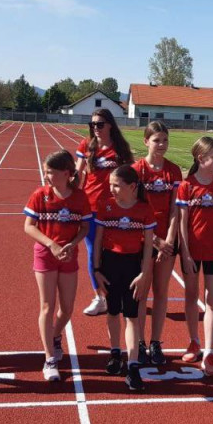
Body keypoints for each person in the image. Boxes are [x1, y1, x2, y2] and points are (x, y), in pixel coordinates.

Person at [24, 150, 92, 382]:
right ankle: (49, 358)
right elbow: (29, 226)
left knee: (67, 308)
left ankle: (54, 335)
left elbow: (84, 227)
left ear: (66, 173)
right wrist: (51, 244)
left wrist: (73, 244)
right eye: (46, 172)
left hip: (68, 256)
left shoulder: (80, 198)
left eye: (51, 172)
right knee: (47, 306)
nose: (46, 176)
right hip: (45, 254)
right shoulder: (40, 195)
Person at [93, 165, 156, 391]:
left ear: (132, 186)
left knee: (131, 316)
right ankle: (115, 353)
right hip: (109, 265)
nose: (112, 189)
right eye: (110, 184)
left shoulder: (144, 209)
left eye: (116, 185)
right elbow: (98, 240)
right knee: (112, 312)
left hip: (133, 267)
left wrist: (144, 273)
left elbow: (148, 245)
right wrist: (96, 270)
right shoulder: (105, 206)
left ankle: (133, 366)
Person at [176, 136, 213, 376]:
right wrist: (186, 253)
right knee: (191, 296)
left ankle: (209, 351)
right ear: (201, 158)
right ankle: (194, 341)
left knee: (212, 300)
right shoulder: (186, 185)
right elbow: (182, 223)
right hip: (191, 252)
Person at [132, 122, 182, 366]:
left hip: (167, 242)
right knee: (141, 294)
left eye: (165, 140)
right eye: (156, 140)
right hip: (143, 240)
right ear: (146, 142)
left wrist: (169, 240)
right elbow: (134, 210)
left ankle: (155, 342)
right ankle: (140, 342)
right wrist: (156, 241)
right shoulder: (136, 170)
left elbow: (174, 210)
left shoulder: (173, 171)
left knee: (161, 292)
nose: (161, 144)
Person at [76, 109, 134, 316]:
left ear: (110, 125)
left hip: (115, 209)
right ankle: (99, 297)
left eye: (100, 124)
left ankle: (116, 293)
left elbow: (130, 176)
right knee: (93, 252)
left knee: (115, 252)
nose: (95, 128)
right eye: (92, 125)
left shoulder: (120, 148)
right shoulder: (86, 145)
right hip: (90, 208)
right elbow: (77, 174)